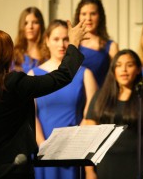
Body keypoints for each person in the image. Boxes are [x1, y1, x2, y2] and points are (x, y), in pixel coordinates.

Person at [0, 19, 87, 178]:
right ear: (2, 55)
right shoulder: (14, 83)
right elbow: (62, 76)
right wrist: (73, 44)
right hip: (12, 170)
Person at [28, 19, 97, 179]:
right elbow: (30, 116)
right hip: (43, 150)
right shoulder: (33, 75)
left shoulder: (85, 74)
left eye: (66, 39)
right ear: (46, 41)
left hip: (75, 150)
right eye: (56, 39)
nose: (62, 44)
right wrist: (43, 146)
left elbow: (91, 115)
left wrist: (74, 145)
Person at [84, 49, 143, 179]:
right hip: (105, 167)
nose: (123, 70)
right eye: (118, 65)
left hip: (139, 166)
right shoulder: (100, 97)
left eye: (129, 65)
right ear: (113, 70)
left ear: (138, 69)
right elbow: (89, 137)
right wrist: (89, 172)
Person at [74, 0, 119, 87]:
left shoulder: (111, 46)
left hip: (99, 97)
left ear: (100, 17)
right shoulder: (69, 43)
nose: (88, 18)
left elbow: (117, 79)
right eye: (84, 14)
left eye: (93, 14)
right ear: (78, 17)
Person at [13, 7, 46, 72]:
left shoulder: (49, 52)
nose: (30, 27)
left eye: (35, 22)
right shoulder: (14, 54)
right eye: (26, 23)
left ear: (41, 25)